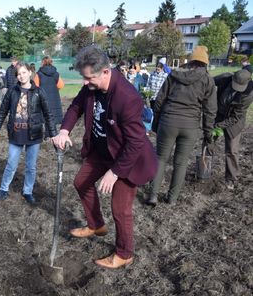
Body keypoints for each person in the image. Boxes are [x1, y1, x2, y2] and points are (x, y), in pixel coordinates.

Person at [53, 45, 157, 269]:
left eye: (89, 78)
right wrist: (64, 130)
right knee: (81, 182)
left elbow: (136, 142)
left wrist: (115, 172)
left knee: (120, 209)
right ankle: (96, 225)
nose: (85, 82)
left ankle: (125, 253)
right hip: (101, 150)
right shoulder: (91, 87)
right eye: (83, 77)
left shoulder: (127, 98)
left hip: (127, 159)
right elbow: (75, 107)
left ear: (106, 72)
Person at [147, 46, 217, 205]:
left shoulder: (174, 75)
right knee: (181, 163)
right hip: (190, 126)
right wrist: (208, 134)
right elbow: (210, 110)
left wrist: (156, 124)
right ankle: (171, 199)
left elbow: (159, 101)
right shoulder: (207, 80)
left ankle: (153, 195)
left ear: (190, 61)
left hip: (168, 122)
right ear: (205, 63)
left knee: (160, 158)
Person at [0, 62, 57, 204]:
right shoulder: (12, 91)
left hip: (34, 135)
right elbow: (3, 111)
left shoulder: (39, 92)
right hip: (16, 134)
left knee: (31, 166)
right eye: (18, 74)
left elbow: (48, 114)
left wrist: (53, 134)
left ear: (29, 72)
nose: (21, 76)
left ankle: (28, 191)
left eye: (23, 72)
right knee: (11, 163)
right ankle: (4, 188)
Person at [212, 69, 253, 190]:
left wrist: (219, 126)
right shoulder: (225, 78)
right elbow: (208, 82)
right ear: (233, 78)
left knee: (231, 150)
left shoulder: (249, 94)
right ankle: (204, 171)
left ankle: (231, 178)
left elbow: (235, 117)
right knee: (208, 142)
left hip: (234, 122)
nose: (236, 88)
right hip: (218, 114)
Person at [34, 56, 65, 133]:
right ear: (51, 62)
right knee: (53, 116)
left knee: (45, 116)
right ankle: (53, 134)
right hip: (54, 99)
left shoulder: (39, 74)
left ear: (42, 62)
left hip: (43, 98)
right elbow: (61, 85)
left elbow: (35, 86)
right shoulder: (56, 74)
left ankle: (47, 135)